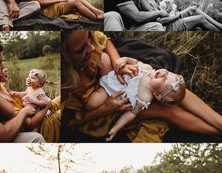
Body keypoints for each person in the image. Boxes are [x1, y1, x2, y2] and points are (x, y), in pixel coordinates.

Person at [62, 30, 222, 142]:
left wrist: (118, 63)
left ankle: (219, 122)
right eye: (81, 49)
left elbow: (105, 40)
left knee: (173, 88)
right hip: (106, 109)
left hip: (119, 79)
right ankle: (217, 130)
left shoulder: (84, 39)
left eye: (89, 39)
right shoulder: (65, 86)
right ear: (65, 56)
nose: (91, 47)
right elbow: (69, 124)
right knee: (166, 108)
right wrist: (106, 108)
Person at [86, 63, 186, 142]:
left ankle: (92, 85)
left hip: (108, 91)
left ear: (157, 95)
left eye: (164, 81)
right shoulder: (147, 68)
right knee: (103, 58)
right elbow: (133, 62)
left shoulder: (144, 99)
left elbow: (131, 113)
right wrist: (124, 59)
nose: (164, 74)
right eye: (168, 73)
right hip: (113, 73)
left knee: (92, 103)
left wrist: (116, 128)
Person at [0, 41, 45, 143]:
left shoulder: (3, 90)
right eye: (0, 64)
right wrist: (25, 111)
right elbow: (1, 136)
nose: (3, 69)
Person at [0, 63, 61, 143]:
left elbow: (28, 95)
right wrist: (47, 105)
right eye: (2, 67)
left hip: (41, 112)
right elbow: (30, 124)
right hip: (41, 125)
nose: (6, 69)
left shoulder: (2, 88)